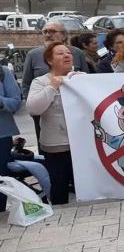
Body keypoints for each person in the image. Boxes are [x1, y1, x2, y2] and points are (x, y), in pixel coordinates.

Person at [26, 42, 84, 205]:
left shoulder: (81, 78)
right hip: (56, 146)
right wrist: (52, 86)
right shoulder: (40, 82)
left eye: (68, 53)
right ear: (49, 60)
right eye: (60, 53)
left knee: (85, 187)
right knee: (59, 188)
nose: (66, 55)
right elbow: (33, 109)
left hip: (82, 145)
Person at [21, 21, 89, 148]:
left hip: (75, 115)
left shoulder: (77, 53)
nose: (47, 34)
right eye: (45, 31)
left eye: (52, 31)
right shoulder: (33, 54)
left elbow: (88, 80)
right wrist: (34, 108)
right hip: (44, 112)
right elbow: (26, 83)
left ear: (63, 35)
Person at [0, 64, 22, 212]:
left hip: (2, 135)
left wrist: (1, 101)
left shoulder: (3, 72)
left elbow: (16, 101)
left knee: (2, 178)